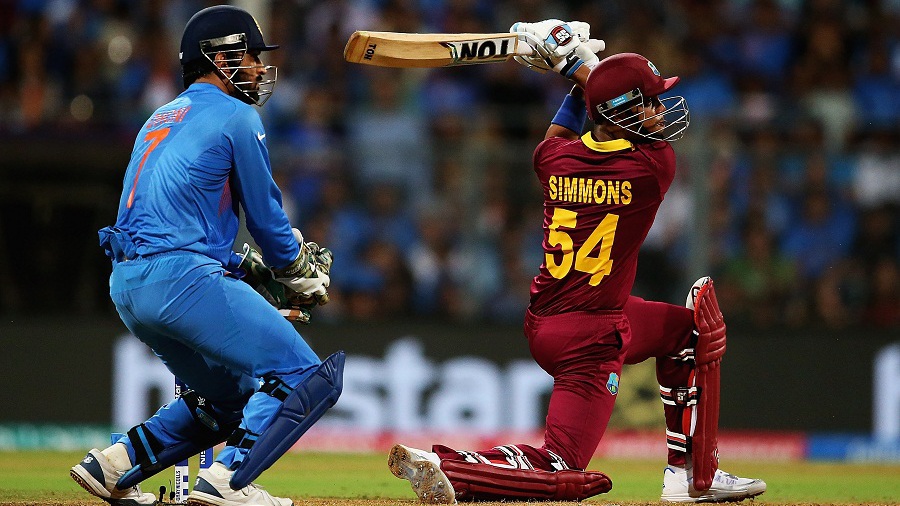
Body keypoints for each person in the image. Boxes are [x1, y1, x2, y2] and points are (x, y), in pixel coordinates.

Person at [388, 20, 766, 504]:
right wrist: (576, 62)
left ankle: (689, 473)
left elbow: (570, 124)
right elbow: (602, 101)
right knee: (563, 465)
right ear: (620, 110)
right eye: (649, 101)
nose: (659, 110)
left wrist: (575, 70)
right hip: (590, 337)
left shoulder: (553, 158)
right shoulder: (651, 169)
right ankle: (450, 466)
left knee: (688, 333)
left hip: (559, 318)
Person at [69, 6, 344, 506]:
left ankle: (114, 464)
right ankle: (228, 480)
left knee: (229, 399)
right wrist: (297, 271)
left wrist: (239, 268)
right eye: (250, 56)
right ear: (219, 59)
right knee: (303, 373)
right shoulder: (239, 116)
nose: (259, 67)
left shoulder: (158, 117)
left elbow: (166, 221)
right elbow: (267, 222)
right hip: (183, 280)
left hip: (128, 285)